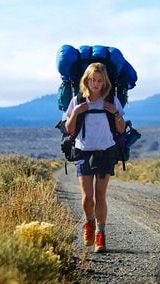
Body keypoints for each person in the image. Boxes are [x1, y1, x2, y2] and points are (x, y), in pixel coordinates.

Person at [63, 62, 126, 253]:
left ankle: (100, 235)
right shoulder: (77, 101)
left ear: (104, 81)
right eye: (93, 80)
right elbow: (68, 128)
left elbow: (121, 129)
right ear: (86, 81)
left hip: (106, 152)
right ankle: (89, 222)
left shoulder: (112, 100)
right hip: (83, 152)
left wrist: (114, 112)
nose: (96, 84)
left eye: (99, 80)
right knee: (87, 198)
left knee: (100, 195)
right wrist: (75, 112)